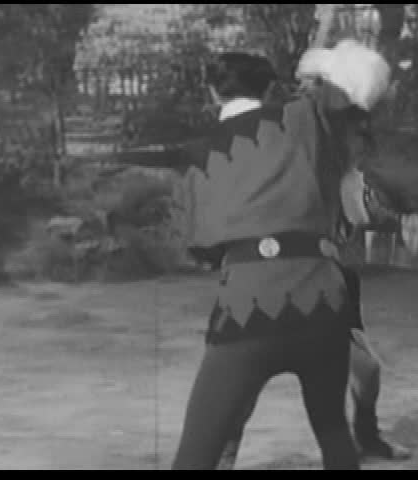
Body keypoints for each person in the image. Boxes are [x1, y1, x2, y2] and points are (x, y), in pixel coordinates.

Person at [169, 48, 395, 470]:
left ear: (212, 92)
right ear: (272, 87)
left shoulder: (197, 155)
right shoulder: (303, 119)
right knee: (332, 430)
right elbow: (352, 92)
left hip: (248, 305)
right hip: (324, 300)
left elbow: (199, 246)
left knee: (196, 454)